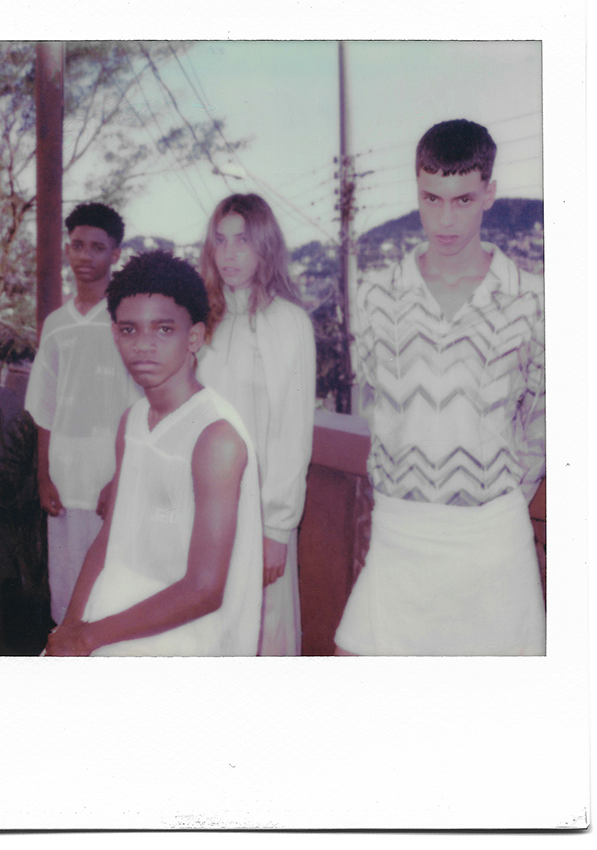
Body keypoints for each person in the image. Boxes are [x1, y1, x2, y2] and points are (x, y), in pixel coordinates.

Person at [335, 119, 546, 656]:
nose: (445, 219)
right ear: (417, 191)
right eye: (432, 198)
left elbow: (543, 421)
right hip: (399, 537)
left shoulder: (531, 299)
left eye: (463, 200)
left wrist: (493, 500)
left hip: (492, 545)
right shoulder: (377, 295)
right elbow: (375, 409)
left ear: (489, 194)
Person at [44, 250, 263, 656]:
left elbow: (204, 589)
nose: (144, 345)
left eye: (163, 329)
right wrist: (71, 625)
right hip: (116, 607)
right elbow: (108, 537)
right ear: (115, 335)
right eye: (130, 330)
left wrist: (87, 637)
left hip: (186, 632)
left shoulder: (215, 437)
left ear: (193, 337)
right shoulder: (132, 421)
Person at [197, 194, 316, 656]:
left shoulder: (288, 323)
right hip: (199, 509)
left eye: (242, 241)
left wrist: (278, 529)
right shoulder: (200, 319)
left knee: (263, 635)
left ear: (265, 245)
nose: (228, 254)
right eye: (220, 240)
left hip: (259, 514)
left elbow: (291, 431)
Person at [25, 202, 142, 625]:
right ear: (67, 249)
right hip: (65, 477)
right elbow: (45, 406)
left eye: (97, 247)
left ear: (115, 254)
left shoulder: (127, 319)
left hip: (113, 474)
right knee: (68, 588)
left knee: (112, 593)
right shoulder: (56, 324)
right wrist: (44, 476)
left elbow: (142, 407)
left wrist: (121, 477)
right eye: (77, 245)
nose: (85, 256)